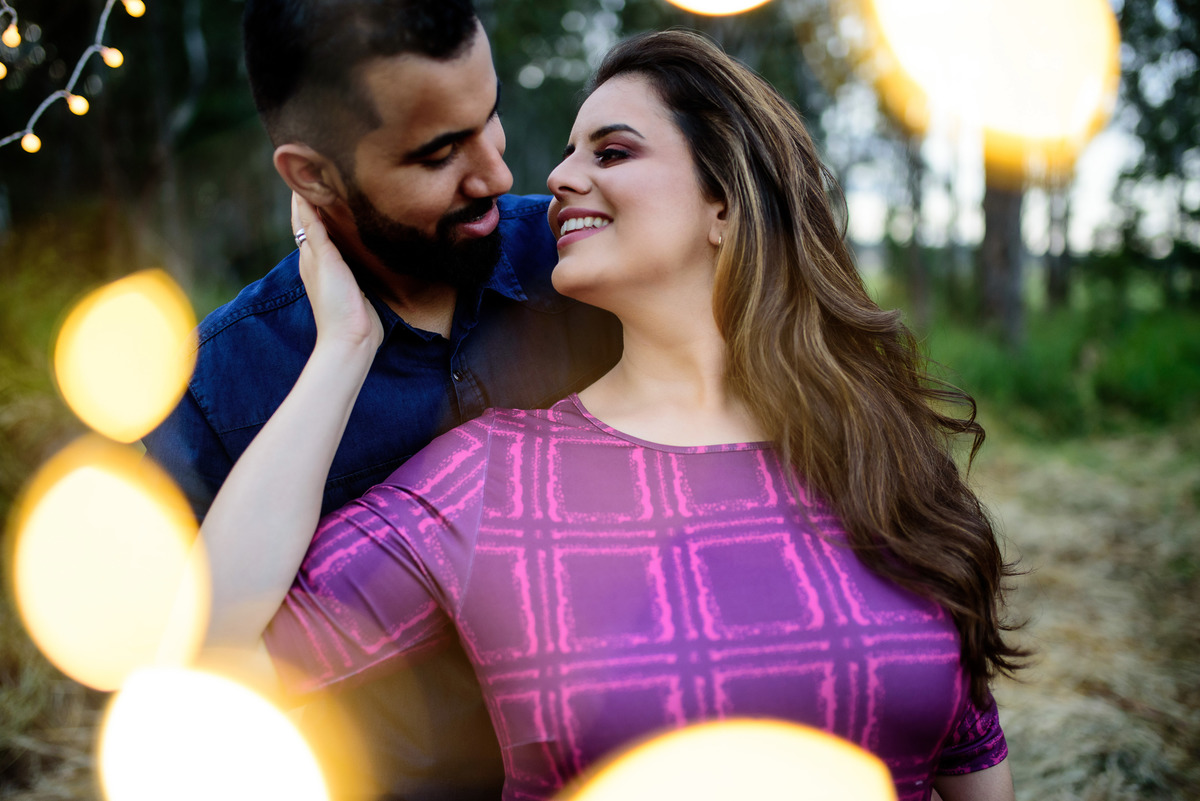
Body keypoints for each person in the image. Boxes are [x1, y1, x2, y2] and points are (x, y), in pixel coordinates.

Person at [197, 29, 1025, 801]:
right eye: (567, 152)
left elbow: (973, 760)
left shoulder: (879, 451)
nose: (558, 177)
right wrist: (345, 345)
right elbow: (207, 649)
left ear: (725, 203)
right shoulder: (488, 480)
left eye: (612, 151)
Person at [143, 1, 621, 798]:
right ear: (312, 175)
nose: (497, 176)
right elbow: (186, 683)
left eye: (490, 117)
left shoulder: (583, 261)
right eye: (438, 154)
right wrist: (344, 349)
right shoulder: (217, 387)